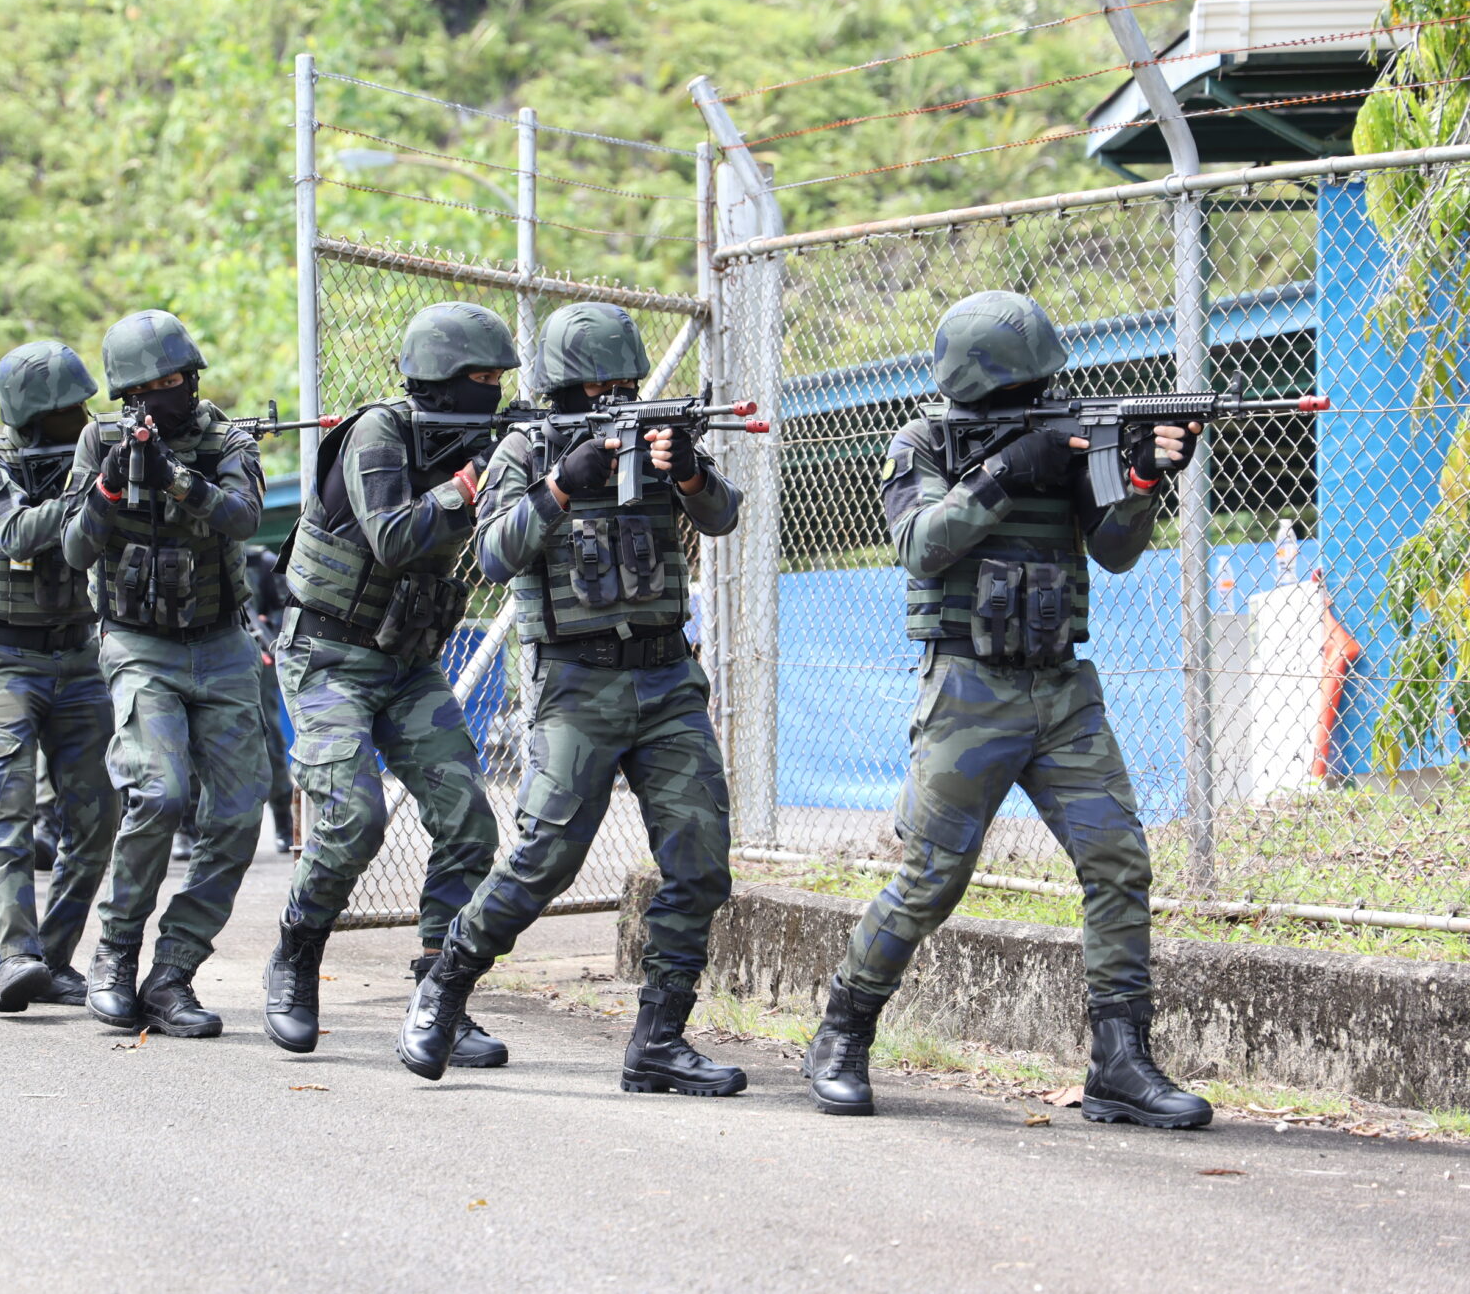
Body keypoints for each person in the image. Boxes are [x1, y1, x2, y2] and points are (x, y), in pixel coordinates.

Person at [799, 290, 1211, 1129]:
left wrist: (1140, 478)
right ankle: (841, 1032)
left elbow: (1116, 550)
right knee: (930, 879)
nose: (1043, 398)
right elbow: (921, 545)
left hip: (1061, 687)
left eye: (1044, 384)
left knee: (1118, 860)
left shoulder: (1071, 438)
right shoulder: (921, 442)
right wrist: (1007, 470)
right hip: (967, 690)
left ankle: (1119, 1062)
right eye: (1025, 389)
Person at [394, 301, 746, 1094]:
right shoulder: (524, 448)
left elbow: (723, 516)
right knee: (542, 859)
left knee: (700, 860)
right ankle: (443, 986)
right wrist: (560, 486)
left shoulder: (660, 440)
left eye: (626, 384)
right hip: (575, 685)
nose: (616, 399)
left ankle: (659, 1040)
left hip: (666, 678)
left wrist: (688, 470)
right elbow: (491, 555)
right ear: (563, 389)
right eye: (598, 388)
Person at [261, 301, 509, 1067]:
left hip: (407, 662)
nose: (493, 391)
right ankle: (297, 948)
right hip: (329, 654)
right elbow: (395, 537)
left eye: (499, 378)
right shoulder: (379, 432)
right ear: (440, 376)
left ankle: (440, 995)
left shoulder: (480, 441)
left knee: (469, 822)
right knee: (354, 817)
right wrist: (470, 483)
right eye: (480, 377)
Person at [64, 310, 268, 1037]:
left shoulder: (227, 439)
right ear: (126, 396)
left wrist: (179, 482)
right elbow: (74, 550)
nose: (162, 396)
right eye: (146, 389)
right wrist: (109, 489)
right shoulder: (100, 441)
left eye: (175, 381)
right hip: (138, 644)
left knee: (238, 814)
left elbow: (243, 517)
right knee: (159, 793)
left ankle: (173, 970)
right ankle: (116, 950)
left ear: (193, 379)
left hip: (221, 644)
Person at [0, 339, 119, 1012]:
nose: (79, 420)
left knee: (99, 815)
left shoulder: (98, 454)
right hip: (3, 656)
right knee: (6, 804)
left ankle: (52, 956)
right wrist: (92, 488)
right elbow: (19, 533)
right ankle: (13, 956)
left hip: (80, 653)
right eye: (63, 412)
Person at [245, 543, 298, 854]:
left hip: (258, 660)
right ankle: (188, 831)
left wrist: (269, 630)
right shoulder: (196, 551)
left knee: (270, 741)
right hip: (210, 657)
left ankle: (283, 824)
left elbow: (286, 610)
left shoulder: (261, 562)